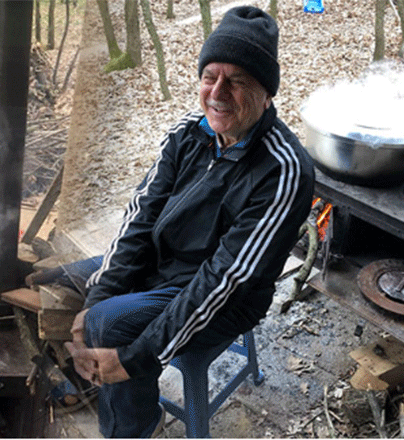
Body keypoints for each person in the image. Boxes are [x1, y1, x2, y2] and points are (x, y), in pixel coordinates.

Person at [63, 6, 315, 437]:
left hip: (226, 297)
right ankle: (94, 380)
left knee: (110, 323)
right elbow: (141, 216)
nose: (218, 92)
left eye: (237, 81)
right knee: (73, 281)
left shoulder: (282, 169)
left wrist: (134, 360)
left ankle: (135, 427)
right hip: (170, 264)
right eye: (210, 76)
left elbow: (226, 279)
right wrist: (95, 297)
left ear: (266, 93)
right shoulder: (189, 134)